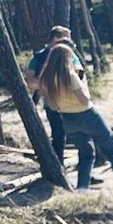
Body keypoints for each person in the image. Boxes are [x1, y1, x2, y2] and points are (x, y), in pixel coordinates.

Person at [36, 42, 113, 194]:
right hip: (87, 116)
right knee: (112, 149)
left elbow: (52, 105)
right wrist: (83, 83)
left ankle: (82, 188)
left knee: (86, 153)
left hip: (67, 120)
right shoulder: (70, 76)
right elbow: (84, 100)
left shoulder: (47, 80)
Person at [26, 25, 81, 166]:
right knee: (58, 135)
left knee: (81, 134)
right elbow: (31, 82)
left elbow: (80, 74)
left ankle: (85, 170)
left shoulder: (70, 55)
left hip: (73, 101)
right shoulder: (39, 57)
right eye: (64, 39)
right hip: (53, 103)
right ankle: (59, 167)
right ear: (55, 39)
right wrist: (48, 81)